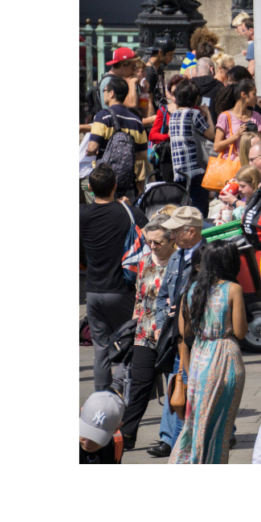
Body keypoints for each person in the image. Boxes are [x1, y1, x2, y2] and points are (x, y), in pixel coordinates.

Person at [167, 241, 247, 464]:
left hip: (199, 358)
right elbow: (240, 332)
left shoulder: (192, 290)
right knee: (220, 426)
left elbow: (184, 332)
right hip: (225, 357)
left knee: (195, 421)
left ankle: (187, 460)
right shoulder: (233, 289)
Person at [80, 165, 148, 393]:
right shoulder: (130, 213)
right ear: (115, 186)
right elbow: (150, 236)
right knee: (129, 342)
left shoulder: (82, 214)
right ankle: (122, 391)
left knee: (100, 348)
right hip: (122, 290)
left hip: (93, 290)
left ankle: (101, 398)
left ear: (90, 188)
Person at [146, 206, 206, 458]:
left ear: (191, 231)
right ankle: (168, 439)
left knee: (203, 384)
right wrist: (163, 323)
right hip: (175, 334)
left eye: (175, 231)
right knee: (176, 382)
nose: (171, 236)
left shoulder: (207, 256)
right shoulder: (175, 257)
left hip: (200, 335)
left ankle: (222, 430)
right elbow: (162, 296)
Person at [118, 214, 175, 449]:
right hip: (145, 332)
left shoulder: (179, 262)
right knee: (139, 385)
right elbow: (139, 297)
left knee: (175, 387)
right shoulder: (144, 261)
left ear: (172, 240)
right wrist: (133, 325)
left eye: (158, 241)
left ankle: (170, 438)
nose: (153, 246)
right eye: (149, 241)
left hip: (171, 334)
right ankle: (126, 435)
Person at [87, 76, 148, 203]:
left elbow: (92, 148)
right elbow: (143, 154)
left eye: (104, 91)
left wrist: (90, 152)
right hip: (127, 181)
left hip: (103, 182)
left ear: (111, 93)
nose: (103, 94)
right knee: (125, 212)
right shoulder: (137, 121)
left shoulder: (103, 116)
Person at [166, 79, 216, 212]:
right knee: (199, 209)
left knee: (184, 208)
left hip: (178, 170)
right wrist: (208, 113)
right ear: (194, 98)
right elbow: (211, 134)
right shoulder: (193, 114)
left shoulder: (173, 115)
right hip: (195, 170)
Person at [213, 79, 261, 160]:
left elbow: (260, 144)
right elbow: (216, 147)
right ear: (243, 94)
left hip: (251, 164)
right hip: (232, 164)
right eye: (254, 94)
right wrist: (236, 135)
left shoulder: (256, 116)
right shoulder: (225, 116)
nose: (256, 97)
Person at [80, 390, 126, 464]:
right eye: (85, 432)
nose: (87, 444)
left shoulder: (116, 444)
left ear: (116, 428)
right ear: (81, 411)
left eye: (96, 437)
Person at [99, 46, 140, 111]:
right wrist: (132, 81)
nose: (135, 70)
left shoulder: (115, 79)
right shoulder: (110, 81)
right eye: (133, 67)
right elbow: (132, 104)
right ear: (122, 65)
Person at [144, 37, 175, 119]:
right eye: (170, 54)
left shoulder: (159, 70)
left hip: (162, 115)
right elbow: (148, 101)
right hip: (155, 118)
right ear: (160, 52)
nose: (172, 58)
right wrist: (153, 122)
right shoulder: (148, 72)